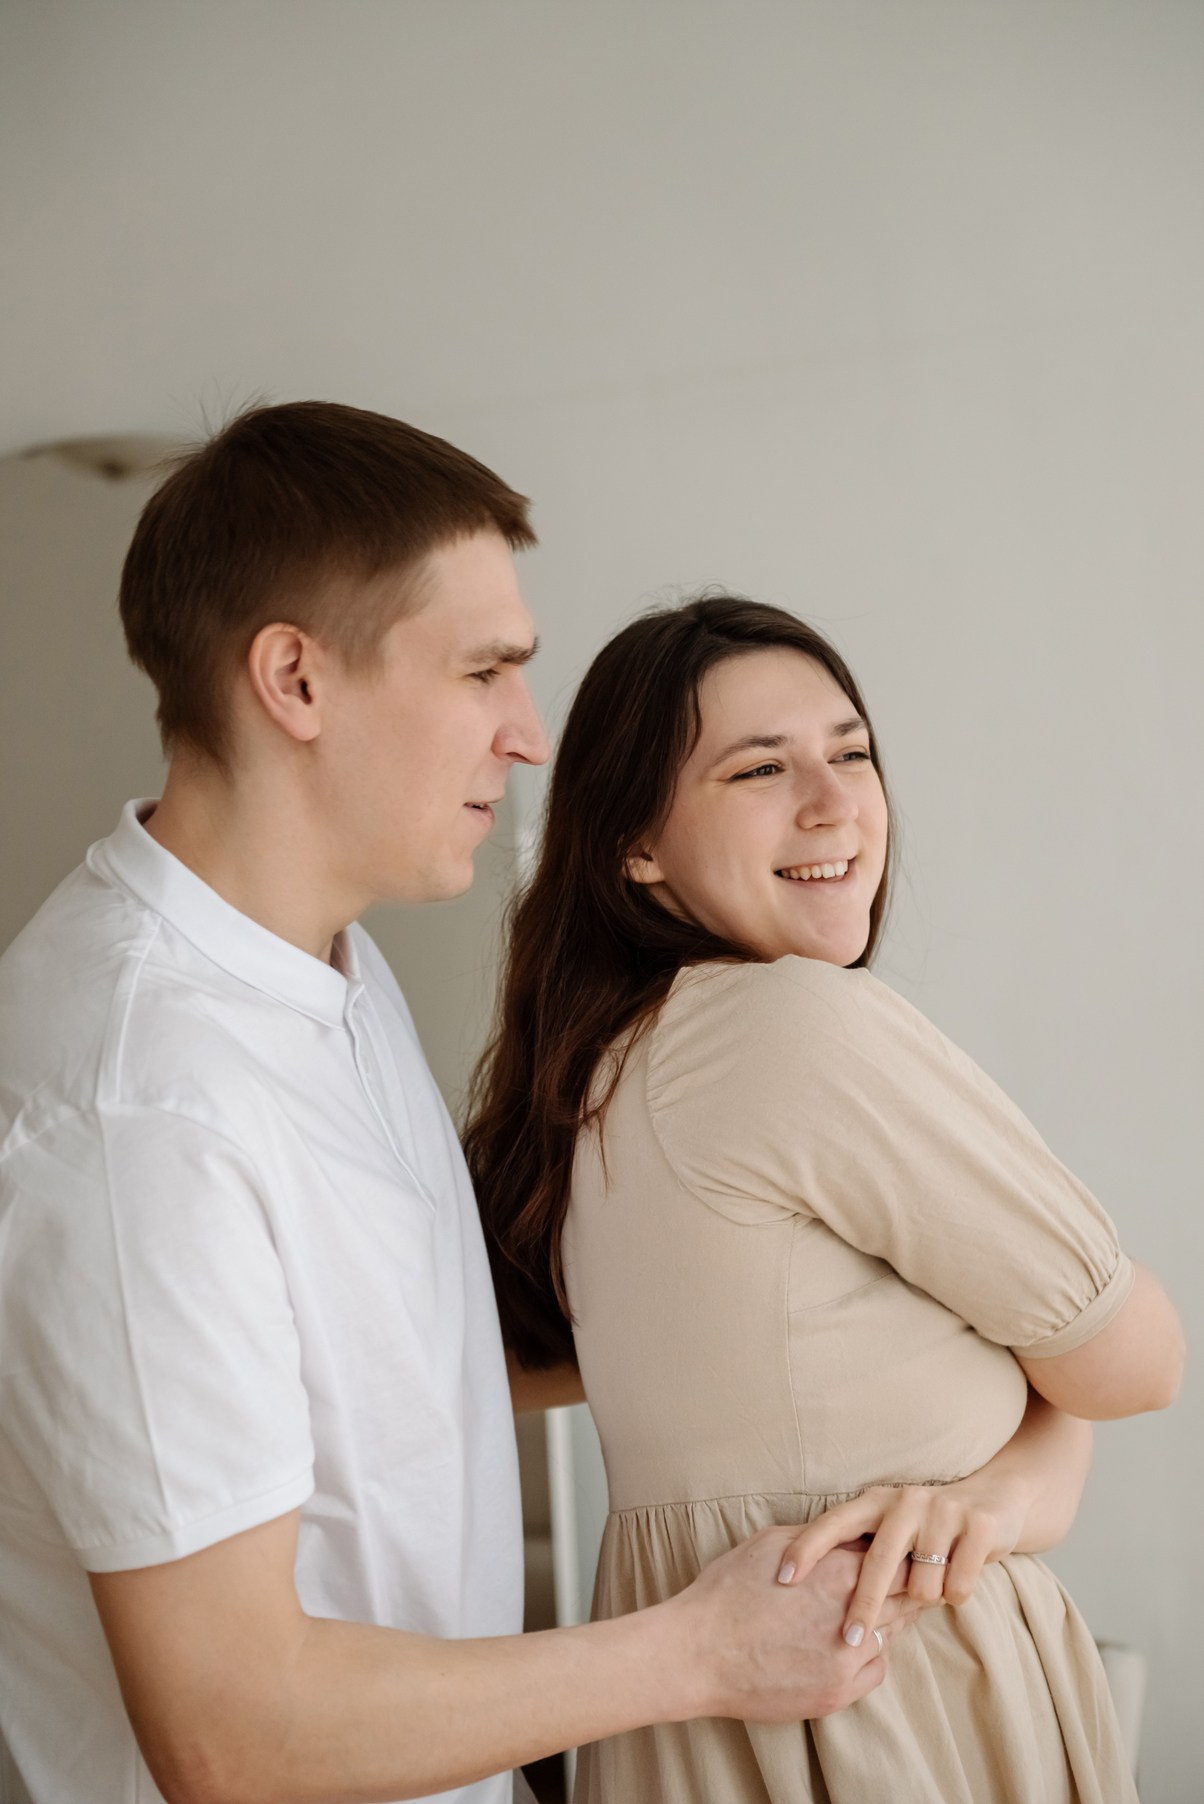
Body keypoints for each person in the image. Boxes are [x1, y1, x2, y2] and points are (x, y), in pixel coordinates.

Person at [0, 406, 939, 1804]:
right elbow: (234, 1727)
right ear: (295, 680)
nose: (529, 735)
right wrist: (701, 1651)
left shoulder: (329, 967)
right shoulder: (141, 1107)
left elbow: (405, 1371)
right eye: (485, 669)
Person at [466, 595, 1185, 1804]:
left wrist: (997, 1492)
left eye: (850, 752)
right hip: (880, 1707)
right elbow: (1133, 1359)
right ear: (634, 845)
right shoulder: (790, 1026)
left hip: (698, 1730)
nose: (834, 801)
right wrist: (1016, 1470)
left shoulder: (597, 1075)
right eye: (761, 768)